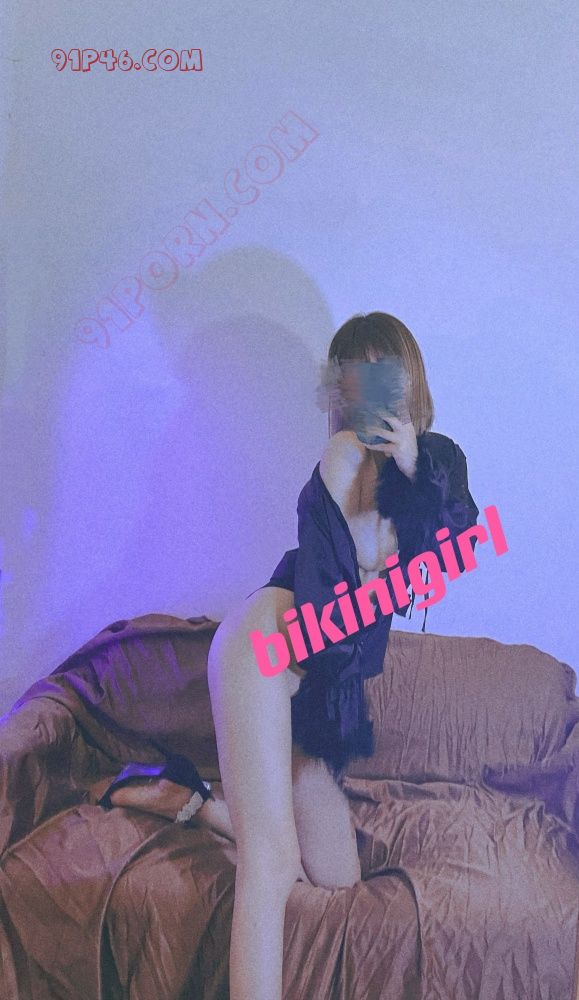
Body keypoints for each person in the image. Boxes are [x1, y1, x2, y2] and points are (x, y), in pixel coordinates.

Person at [105, 312, 479, 1000]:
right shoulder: (337, 462)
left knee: (336, 879)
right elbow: (327, 610)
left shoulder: (439, 462)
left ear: (409, 383)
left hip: (317, 678)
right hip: (267, 649)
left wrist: (409, 472)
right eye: (354, 381)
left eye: (383, 377)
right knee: (272, 866)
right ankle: (249, 829)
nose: (369, 395)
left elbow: (456, 547)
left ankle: (196, 802)